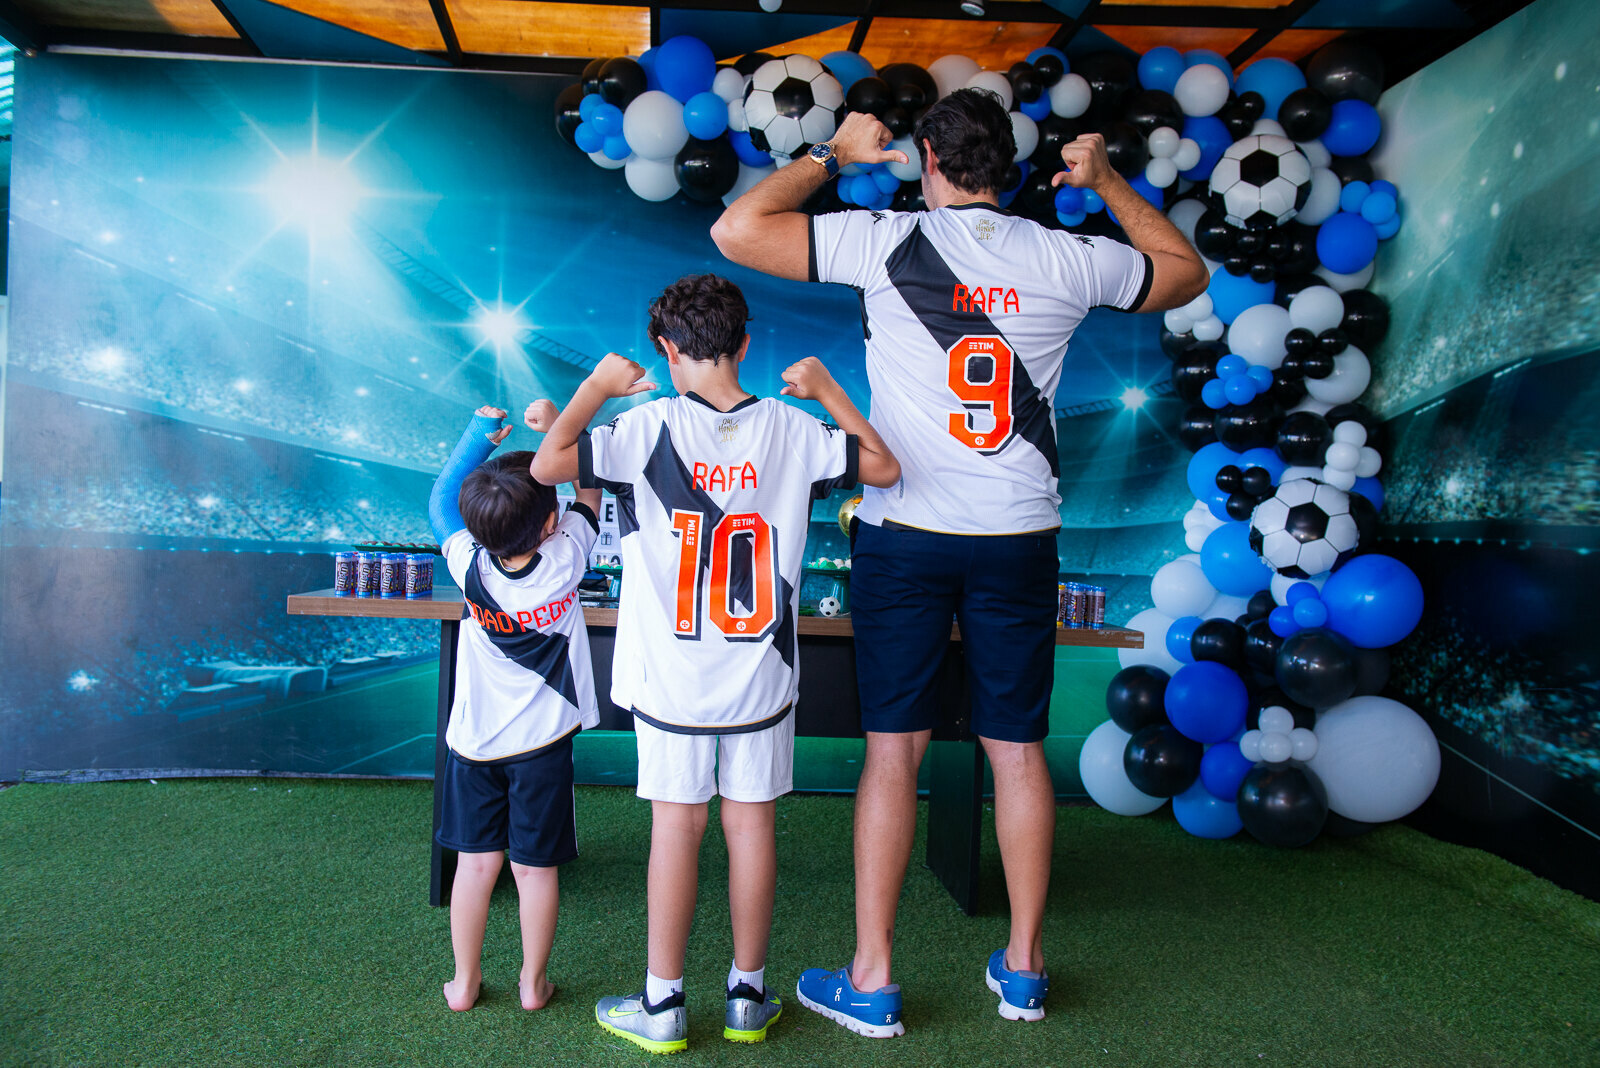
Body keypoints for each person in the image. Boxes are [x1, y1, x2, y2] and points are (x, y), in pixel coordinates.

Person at [711, 89, 1208, 1033]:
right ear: (1009, 169)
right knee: (1016, 750)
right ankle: (1022, 970)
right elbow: (1184, 271)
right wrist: (1104, 182)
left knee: (893, 752)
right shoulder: (1067, 255)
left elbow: (739, 230)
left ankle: (874, 976)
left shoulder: (881, 238)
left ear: (930, 161)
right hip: (1018, 535)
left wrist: (832, 154)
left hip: (906, 534)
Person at [531, 273, 900, 1053]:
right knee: (751, 824)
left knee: (677, 827)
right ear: (746, 342)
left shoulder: (644, 425)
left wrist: (596, 385)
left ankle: (663, 1004)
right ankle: (746, 996)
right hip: (761, 674)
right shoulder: (795, 429)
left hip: (672, 678)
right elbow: (884, 469)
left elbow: (545, 465)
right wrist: (830, 388)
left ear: (666, 350)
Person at [426, 402, 602, 1013]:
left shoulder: (467, 564)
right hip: (543, 745)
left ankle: (465, 983)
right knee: (534, 870)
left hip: (473, 743)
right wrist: (557, 424)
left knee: (475, 867)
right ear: (551, 521)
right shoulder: (568, 558)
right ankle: (532, 984)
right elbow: (586, 484)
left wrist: (477, 433)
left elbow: (440, 504)